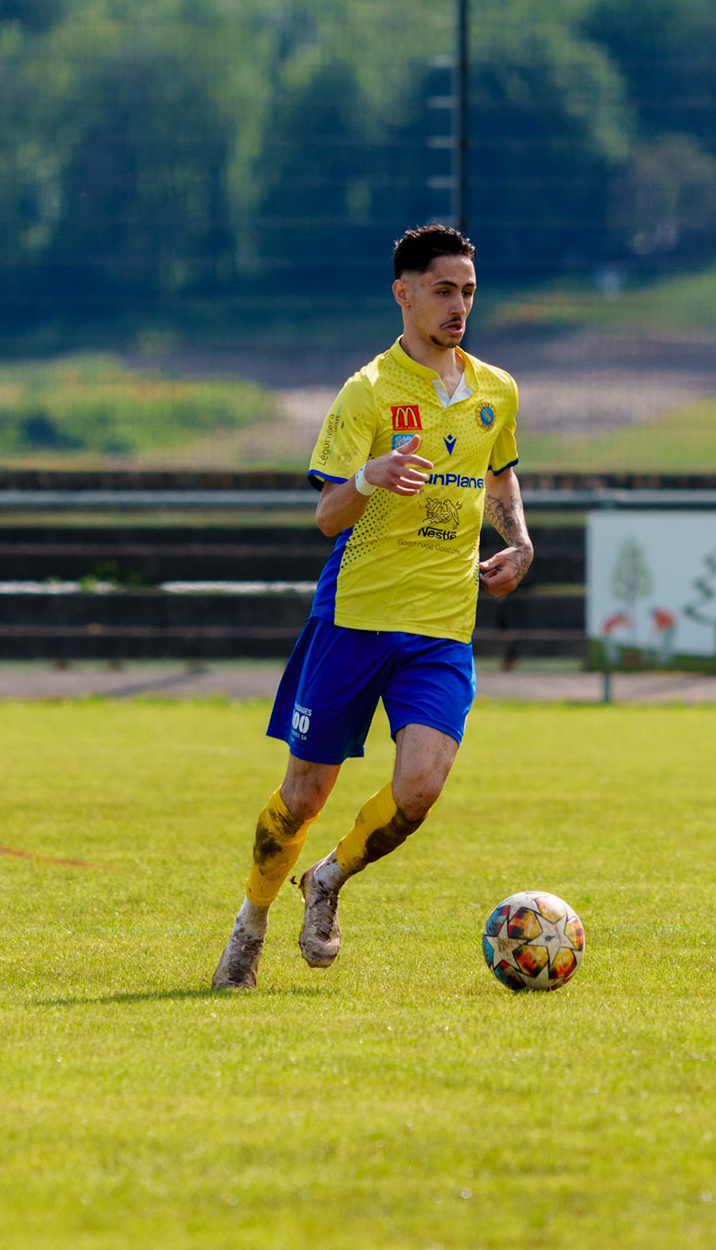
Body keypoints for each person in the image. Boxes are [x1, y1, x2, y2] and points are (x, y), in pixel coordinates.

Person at [212, 224, 532, 989]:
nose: (459, 307)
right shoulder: (369, 392)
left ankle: (328, 879)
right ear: (405, 292)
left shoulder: (496, 390)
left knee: (420, 788)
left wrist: (518, 541)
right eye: (444, 291)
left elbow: (502, 476)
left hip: (442, 625)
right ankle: (250, 924)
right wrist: (370, 476)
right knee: (303, 796)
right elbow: (327, 516)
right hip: (356, 617)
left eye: (468, 293)